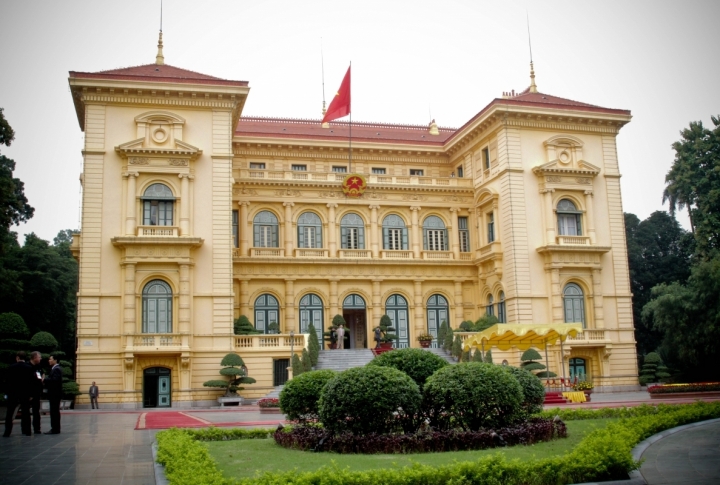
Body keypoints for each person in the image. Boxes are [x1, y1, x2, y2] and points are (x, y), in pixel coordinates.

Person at [3, 351, 34, 437]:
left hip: (13, 393)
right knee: (26, 412)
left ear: (17, 357)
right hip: (25, 393)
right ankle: (27, 431)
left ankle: (7, 431)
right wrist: (31, 394)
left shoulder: (11, 367)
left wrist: (7, 393)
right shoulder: (29, 368)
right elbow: (32, 383)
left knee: (10, 413)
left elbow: (7, 381)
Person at [44, 355, 63, 434]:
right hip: (55, 394)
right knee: (54, 411)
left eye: (50, 359)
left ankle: (55, 429)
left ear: (55, 360)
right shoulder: (55, 369)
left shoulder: (56, 369)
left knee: (54, 411)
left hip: (54, 394)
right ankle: (55, 428)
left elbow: (55, 380)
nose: (49, 360)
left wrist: (44, 379)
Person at [29, 351, 44, 434]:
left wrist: (42, 378)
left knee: (36, 411)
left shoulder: (38, 366)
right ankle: (26, 428)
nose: (40, 358)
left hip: (37, 393)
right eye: (39, 357)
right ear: (34, 357)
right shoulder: (28, 367)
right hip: (29, 393)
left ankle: (37, 428)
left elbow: (42, 374)